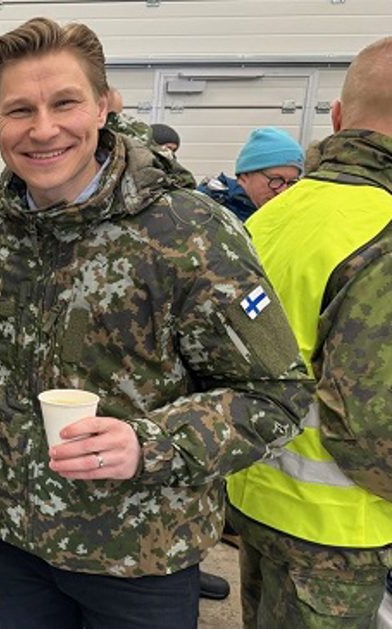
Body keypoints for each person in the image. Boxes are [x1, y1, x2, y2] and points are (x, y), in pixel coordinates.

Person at [0, 17, 312, 628]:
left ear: (103, 106)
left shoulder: (189, 232)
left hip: (138, 561)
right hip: (14, 545)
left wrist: (150, 442)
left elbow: (278, 394)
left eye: (64, 102)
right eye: (20, 110)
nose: (44, 128)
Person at [226, 36, 392, 628]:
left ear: (339, 116)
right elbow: (370, 429)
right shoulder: (383, 231)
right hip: (338, 532)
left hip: (256, 495)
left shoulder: (270, 216)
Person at [197, 127, 304, 221]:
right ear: (245, 175)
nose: (283, 191)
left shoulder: (284, 216)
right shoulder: (207, 214)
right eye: (276, 179)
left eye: (291, 182)